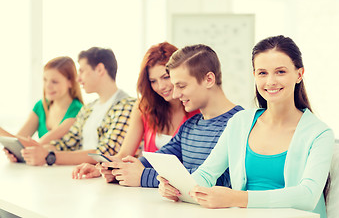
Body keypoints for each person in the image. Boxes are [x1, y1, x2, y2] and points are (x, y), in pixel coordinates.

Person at [159, 36, 334, 218]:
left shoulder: (319, 134)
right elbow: (206, 173)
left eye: (280, 72)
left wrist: (237, 198)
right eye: (262, 73)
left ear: (299, 74)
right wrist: (178, 188)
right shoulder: (240, 122)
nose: (271, 81)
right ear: (254, 76)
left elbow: (307, 196)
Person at [97, 44, 243, 187]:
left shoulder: (241, 123)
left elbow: (221, 179)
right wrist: (120, 169)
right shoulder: (190, 126)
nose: (175, 94)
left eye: (181, 86)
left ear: (208, 80)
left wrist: (143, 176)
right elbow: (159, 159)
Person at [72, 42, 199, 179]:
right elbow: (124, 155)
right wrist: (100, 168)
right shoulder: (145, 107)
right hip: (144, 188)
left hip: (177, 189)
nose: (161, 86)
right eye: (153, 81)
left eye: (165, 77)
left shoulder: (197, 109)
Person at [12, 47, 137, 166]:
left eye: (82, 71)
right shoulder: (88, 108)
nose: (78, 79)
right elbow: (67, 143)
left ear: (99, 69)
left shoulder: (126, 106)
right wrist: (33, 152)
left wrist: (49, 156)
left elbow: (105, 152)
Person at [2, 56, 83, 162]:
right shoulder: (41, 106)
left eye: (54, 82)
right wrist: (13, 151)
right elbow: (17, 140)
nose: (47, 86)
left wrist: (2, 132)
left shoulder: (78, 111)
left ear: (71, 82)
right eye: (45, 80)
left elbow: (37, 145)